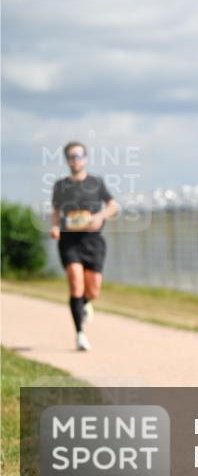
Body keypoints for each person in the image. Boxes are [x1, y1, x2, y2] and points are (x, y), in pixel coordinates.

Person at [49, 142, 119, 351]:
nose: (76, 159)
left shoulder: (96, 182)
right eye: (72, 156)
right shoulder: (61, 186)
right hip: (69, 241)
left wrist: (100, 216)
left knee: (93, 289)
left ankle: (85, 303)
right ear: (67, 160)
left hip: (93, 241)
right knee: (75, 283)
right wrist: (54, 227)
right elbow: (55, 211)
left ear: (85, 158)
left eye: (79, 155)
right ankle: (80, 333)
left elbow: (113, 205)